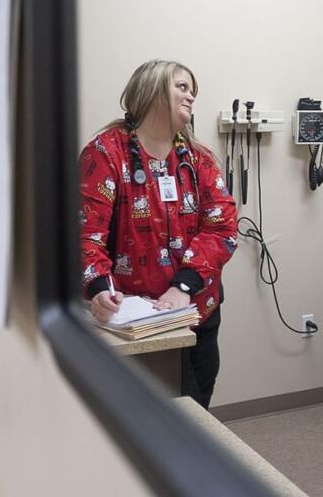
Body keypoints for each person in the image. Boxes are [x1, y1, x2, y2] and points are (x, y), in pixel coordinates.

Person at [79, 60, 239, 408]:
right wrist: (99, 291)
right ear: (151, 90)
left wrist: (183, 286)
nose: (192, 96)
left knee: (197, 410)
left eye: (193, 89)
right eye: (182, 86)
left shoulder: (199, 159)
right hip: (135, 324)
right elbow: (85, 234)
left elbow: (222, 228)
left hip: (197, 311)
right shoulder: (105, 154)